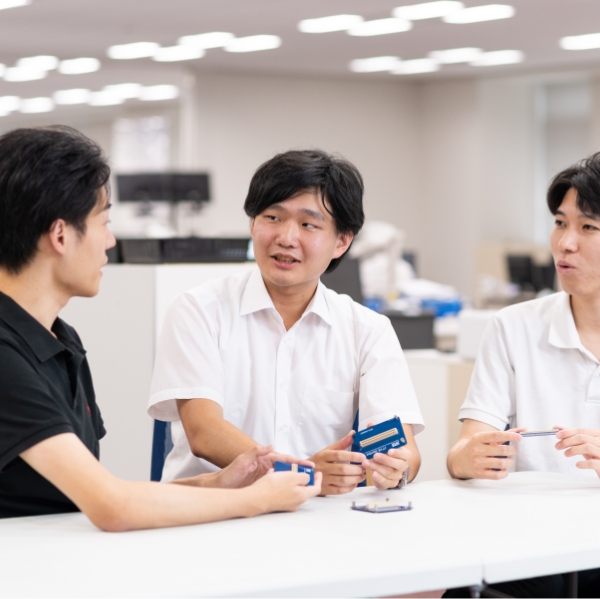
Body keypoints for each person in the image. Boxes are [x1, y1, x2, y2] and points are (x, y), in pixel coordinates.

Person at [0, 126, 321, 529]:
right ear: (61, 235)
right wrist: (256, 500)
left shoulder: (59, 341)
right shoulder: (5, 354)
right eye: (104, 222)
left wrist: (220, 483)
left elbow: (98, 494)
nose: (110, 241)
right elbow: (111, 506)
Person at [148, 149, 424, 495]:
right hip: (212, 511)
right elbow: (204, 433)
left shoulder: (367, 331)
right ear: (253, 224)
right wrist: (304, 474)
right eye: (273, 217)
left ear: (341, 241)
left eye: (308, 224)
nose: (286, 238)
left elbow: (405, 451)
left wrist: (396, 469)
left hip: (315, 516)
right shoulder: (198, 311)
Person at [445, 154, 600, 597]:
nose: (565, 244)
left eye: (588, 227)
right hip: (530, 538)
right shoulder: (513, 327)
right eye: (560, 223)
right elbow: (462, 452)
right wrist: (468, 458)